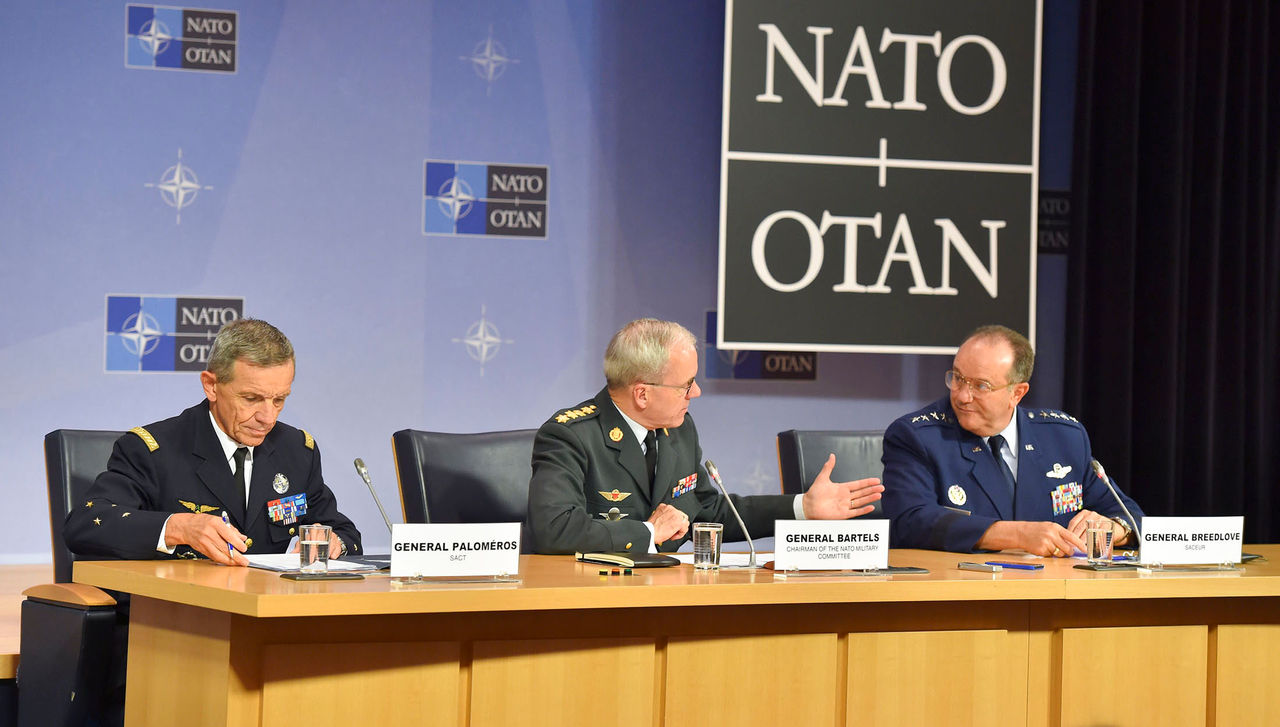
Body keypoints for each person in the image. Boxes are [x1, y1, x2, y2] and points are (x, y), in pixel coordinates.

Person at [528, 318, 884, 554]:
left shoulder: (678, 430)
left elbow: (707, 512)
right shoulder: (569, 436)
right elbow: (554, 530)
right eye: (685, 385)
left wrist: (801, 507)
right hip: (593, 603)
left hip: (671, 597)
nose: (696, 392)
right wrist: (647, 534)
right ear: (642, 393)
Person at [65, 318, 362, 565]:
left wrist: (334, 542)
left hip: (272, 618)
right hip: (182, 618)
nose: (268, 417)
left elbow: (344, 532)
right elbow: (85, 523)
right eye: (252, 399)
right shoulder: (153, 449)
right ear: (211, 386)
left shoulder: (297, 451)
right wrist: (176, 528)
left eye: (279, 400)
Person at [881, 324, 1143, 556]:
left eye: (981, 386)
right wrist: (1016, 535)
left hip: (1055, 595)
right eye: (958, 378)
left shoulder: (1063, 437)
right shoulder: (917, 436)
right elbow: (909, 521)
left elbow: (1131, 516)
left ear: (1017, 393)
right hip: (961, 595)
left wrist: (1114, 528)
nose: (962, 396)